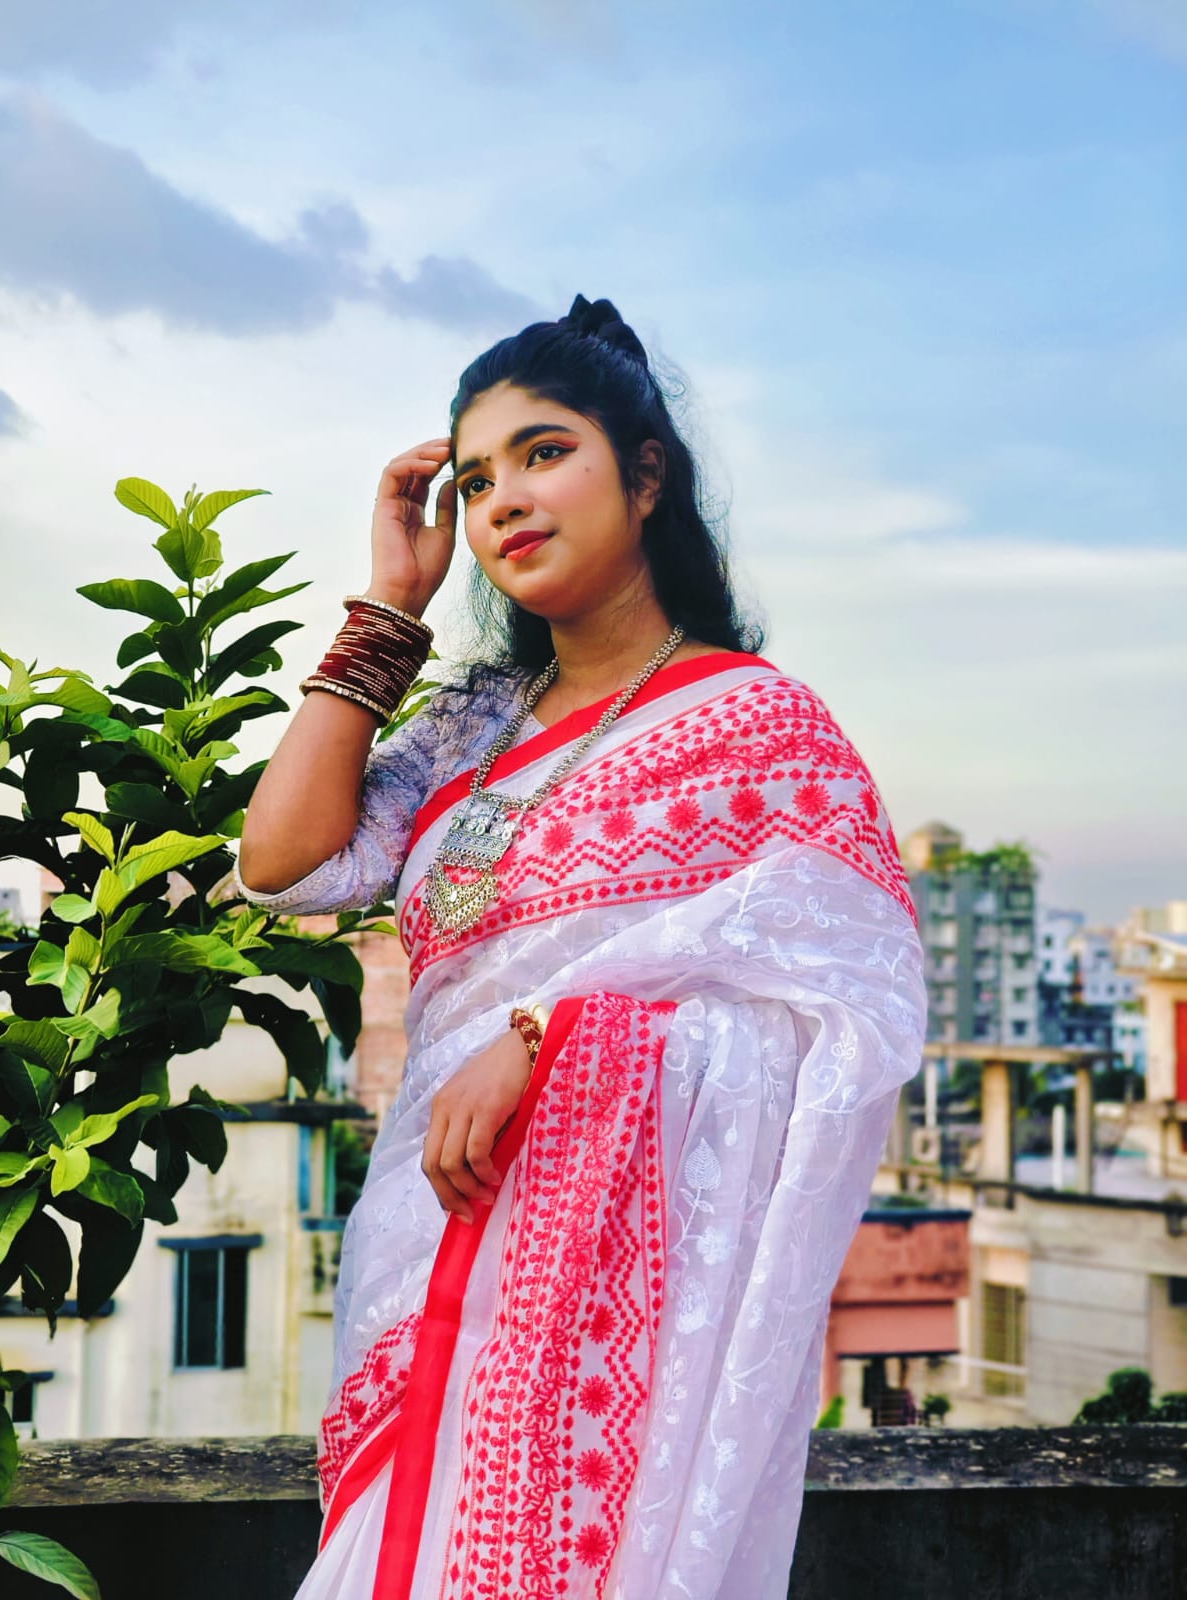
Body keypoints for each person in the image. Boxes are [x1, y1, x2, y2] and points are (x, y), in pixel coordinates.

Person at [236, 294, 927, 1600]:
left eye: (546, 452)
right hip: (425, 1242)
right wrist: (390, 608)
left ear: (647, 474)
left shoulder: (760, 730)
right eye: (478, 475)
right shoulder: (467, 737)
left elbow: (847, 1013)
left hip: (616, 1287)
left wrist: (556, 1038)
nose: (504, 500)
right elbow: (286, 864)